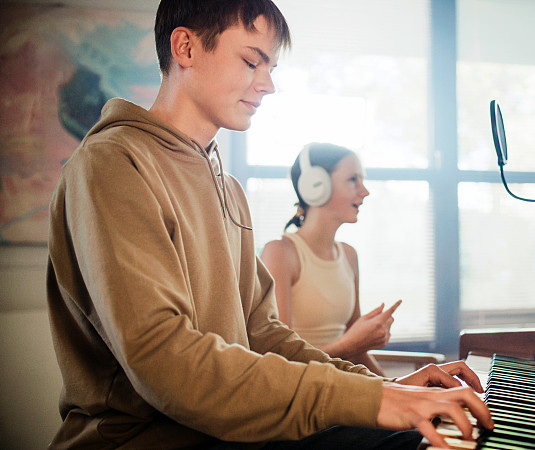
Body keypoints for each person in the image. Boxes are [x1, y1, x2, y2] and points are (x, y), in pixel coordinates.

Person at [45, 1, 493, 449]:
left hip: (235, 436)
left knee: (443, 435)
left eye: (271, 67)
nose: (268, 84)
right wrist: (373, 400)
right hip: (146, 442)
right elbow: (166, 362)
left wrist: (384, 388)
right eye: (251, 61)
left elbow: (262, 334)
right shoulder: (112, 165)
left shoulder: (228, 188)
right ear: (185, 47)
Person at [261, 143, 396, 376]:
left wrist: (402, 386)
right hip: (305, 391)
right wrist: (349, 344)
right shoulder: (280, 253)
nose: (365, 191)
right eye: (353, 179)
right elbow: (281, 361)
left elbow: (358, 353)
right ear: (315, 185)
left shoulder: (349, 255)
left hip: (344, 383)